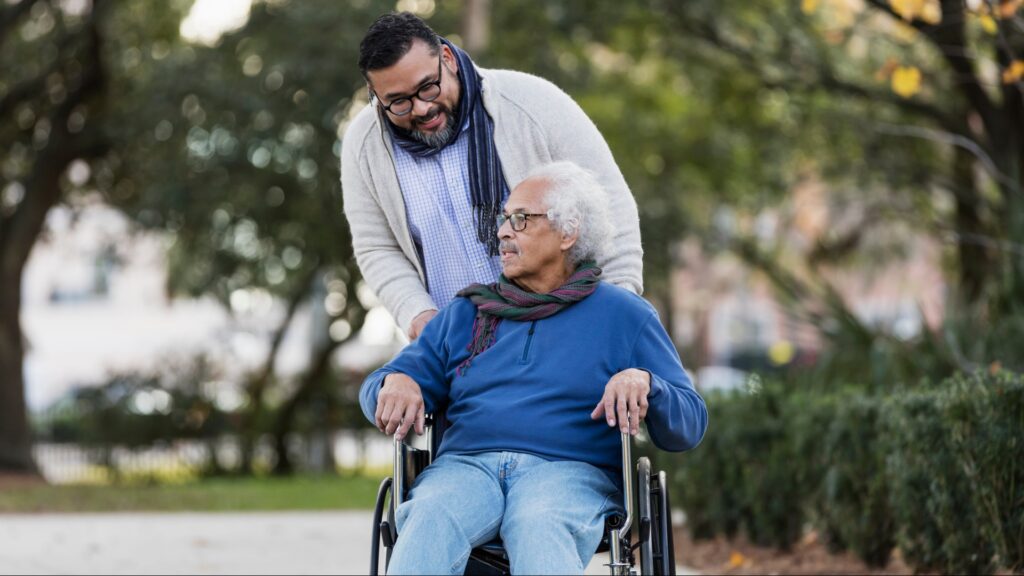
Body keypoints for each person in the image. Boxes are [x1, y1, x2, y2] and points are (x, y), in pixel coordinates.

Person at [359, 161, 707, 575]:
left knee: (537, 522)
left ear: (568, 232)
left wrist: (647, 383)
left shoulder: (624, 315)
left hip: (570, 473)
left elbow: (689, 423)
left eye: (521, 219)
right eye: (504, 219)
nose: (504, 231)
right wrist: (393, 383)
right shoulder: (467, 313)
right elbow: (378, 388)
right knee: (429, 514)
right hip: (466, 468)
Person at [342, 12, 643, 340]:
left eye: (428, 87)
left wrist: (618, 313)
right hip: (460, 355)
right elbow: (377, 247)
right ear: (375, 95)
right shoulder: (364, 145)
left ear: (447, 58)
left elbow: (610, 206)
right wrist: (418, 314)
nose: (420, 109)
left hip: (565, 337)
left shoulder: (534, 103)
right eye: (398, 102)